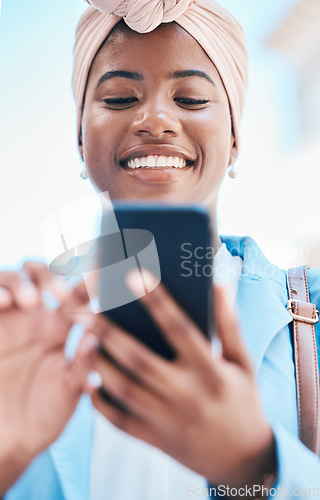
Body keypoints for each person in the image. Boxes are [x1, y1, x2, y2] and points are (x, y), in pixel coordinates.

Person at [0, 1, 320, 499]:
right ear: (80, 140)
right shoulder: (17, 324)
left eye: (191, 99)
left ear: (234, 138)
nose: (155, 119)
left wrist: (255, 467)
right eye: (121, 98)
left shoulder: (312, 316)